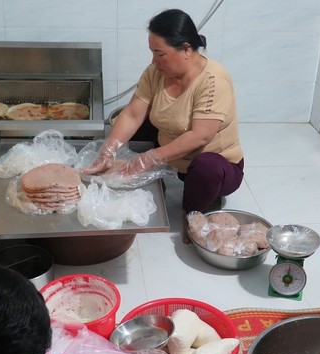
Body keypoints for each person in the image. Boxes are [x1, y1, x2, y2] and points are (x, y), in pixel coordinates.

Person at [81, 8, 244, 243]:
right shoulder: (156, 72)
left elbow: (200, 136)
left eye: (160, 54)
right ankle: (164, 173)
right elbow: (133, 113)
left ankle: (195, 210)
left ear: (186, 49)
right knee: (125, 120)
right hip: (176, 156)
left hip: (217, 167)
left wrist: (149, 158)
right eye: (152, 53)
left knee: (206, 168)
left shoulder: (213, 81)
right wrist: (109, 149)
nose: (154, 61)